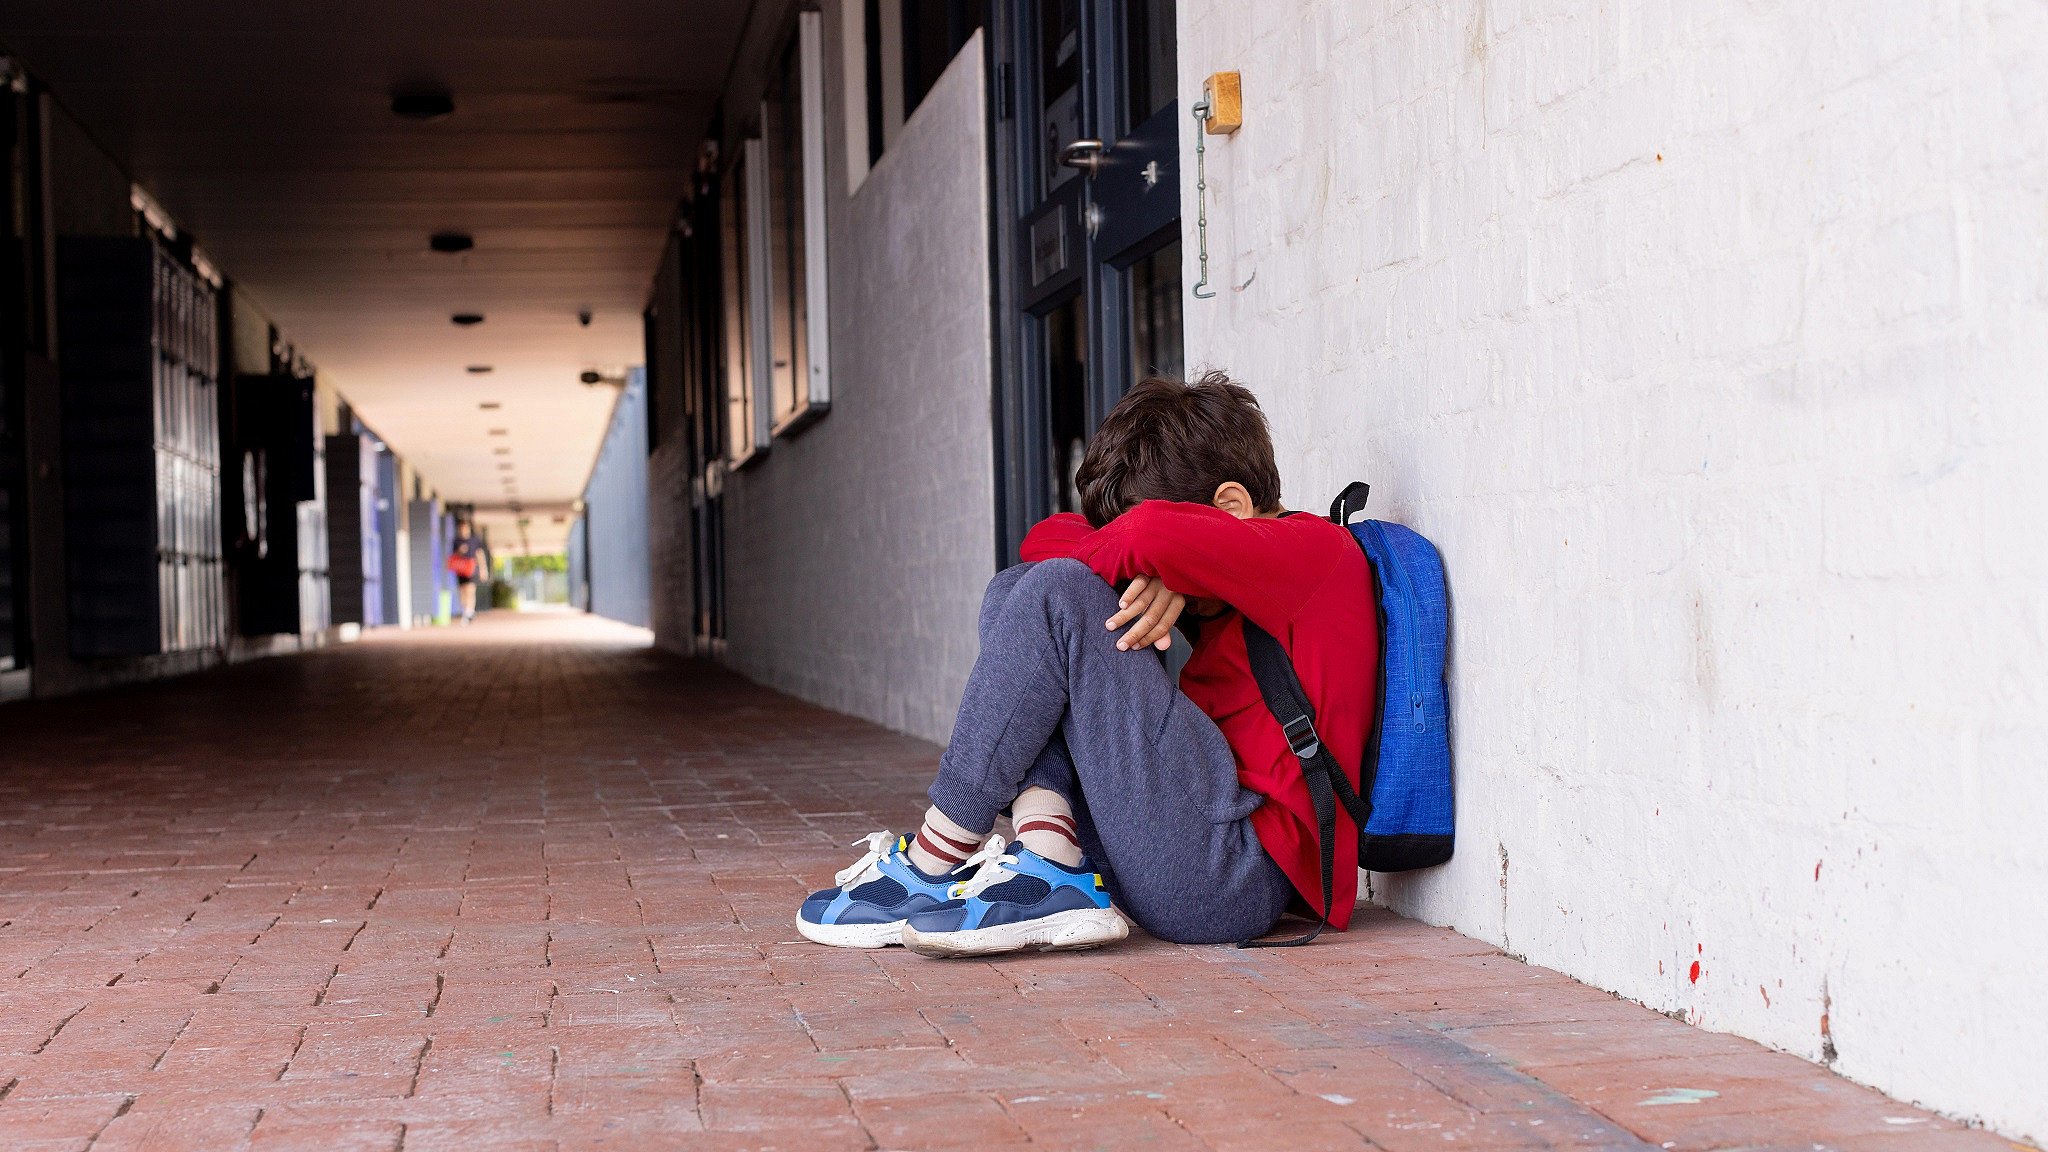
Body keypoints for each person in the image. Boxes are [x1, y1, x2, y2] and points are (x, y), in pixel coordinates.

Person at [797, 371, 1378, 956]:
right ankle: (1049, 859)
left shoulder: (1319, 554)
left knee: (1058, 595)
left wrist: (1168, 558)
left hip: (1238, 879)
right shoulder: (1233, 572)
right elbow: (1048, 537)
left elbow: (1146, 532)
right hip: (1170, 845)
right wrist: (1168, 565)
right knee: (1018, 590)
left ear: (1231, 506)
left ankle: (934, 856)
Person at [447, 521, 484, 624]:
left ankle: (470, 611)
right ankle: (465, 611)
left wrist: (482, 569)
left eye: (465, 528)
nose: (463, 531)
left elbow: (479, 554)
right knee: (462, 591)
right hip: (461, 569)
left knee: (470, 590)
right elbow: (453, 556)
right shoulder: (456, 541)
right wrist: (460, 551)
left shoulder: (474, 540)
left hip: (471, 568)